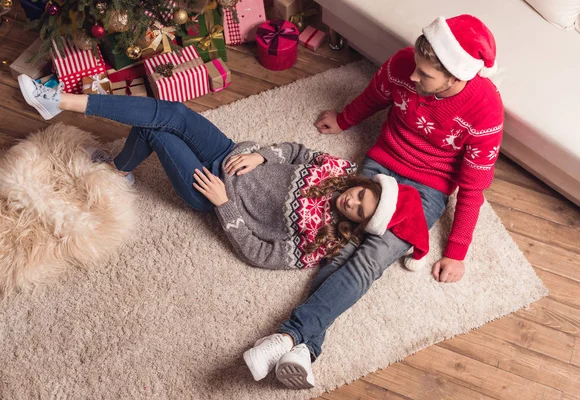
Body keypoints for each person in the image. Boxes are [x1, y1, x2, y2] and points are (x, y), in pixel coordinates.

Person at [242, 14, 504, 390]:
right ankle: (305, 348)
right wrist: (345, 119)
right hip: (382, 165)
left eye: (425, 74)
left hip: (428, 189)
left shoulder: (485, 108)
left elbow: (473, 187)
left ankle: (289, 337)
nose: (413, 77)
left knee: (374, 256)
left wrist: (457, 249)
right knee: (342, 241)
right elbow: (376, 95)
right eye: (416, 66)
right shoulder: (402, 65)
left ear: (455, 77)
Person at [17, 77, 431, 273]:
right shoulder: (340, 171)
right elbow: (297, 150)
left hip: (209, 190)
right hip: (231, 155)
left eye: (360, 210)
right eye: (362, 194)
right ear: (367, 184)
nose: (353, 201)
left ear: (359, 223)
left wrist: (224, 203)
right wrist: (263, 157)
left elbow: (259, 253)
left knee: (155, 130)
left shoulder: (318, 241)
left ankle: (117, 165)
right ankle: (63, 102)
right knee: (174, 111)